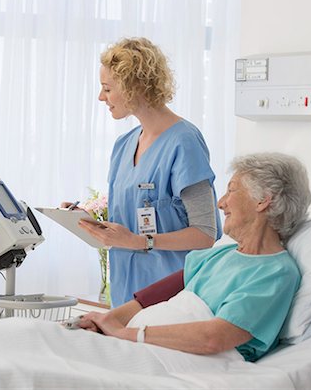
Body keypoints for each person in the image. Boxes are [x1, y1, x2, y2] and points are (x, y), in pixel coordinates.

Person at [76, 153, 311, 362]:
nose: (221, 203)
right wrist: (102, 322)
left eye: (232, 190)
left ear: (263, 200)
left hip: (191, 360)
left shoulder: (276, 272)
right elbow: (148, 300)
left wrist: (124, 333)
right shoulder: (219, 255)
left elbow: (214, 338)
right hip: (144, 344)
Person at [68, 37, 222, 307]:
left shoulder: (184, 142)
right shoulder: (124, 144)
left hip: (170, 295)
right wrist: (88, 218)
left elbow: (205, 234)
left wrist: (140, 241)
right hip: (126, 292)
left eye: (107, 88)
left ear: (133, 86)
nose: (101, 97)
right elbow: (130, 214)